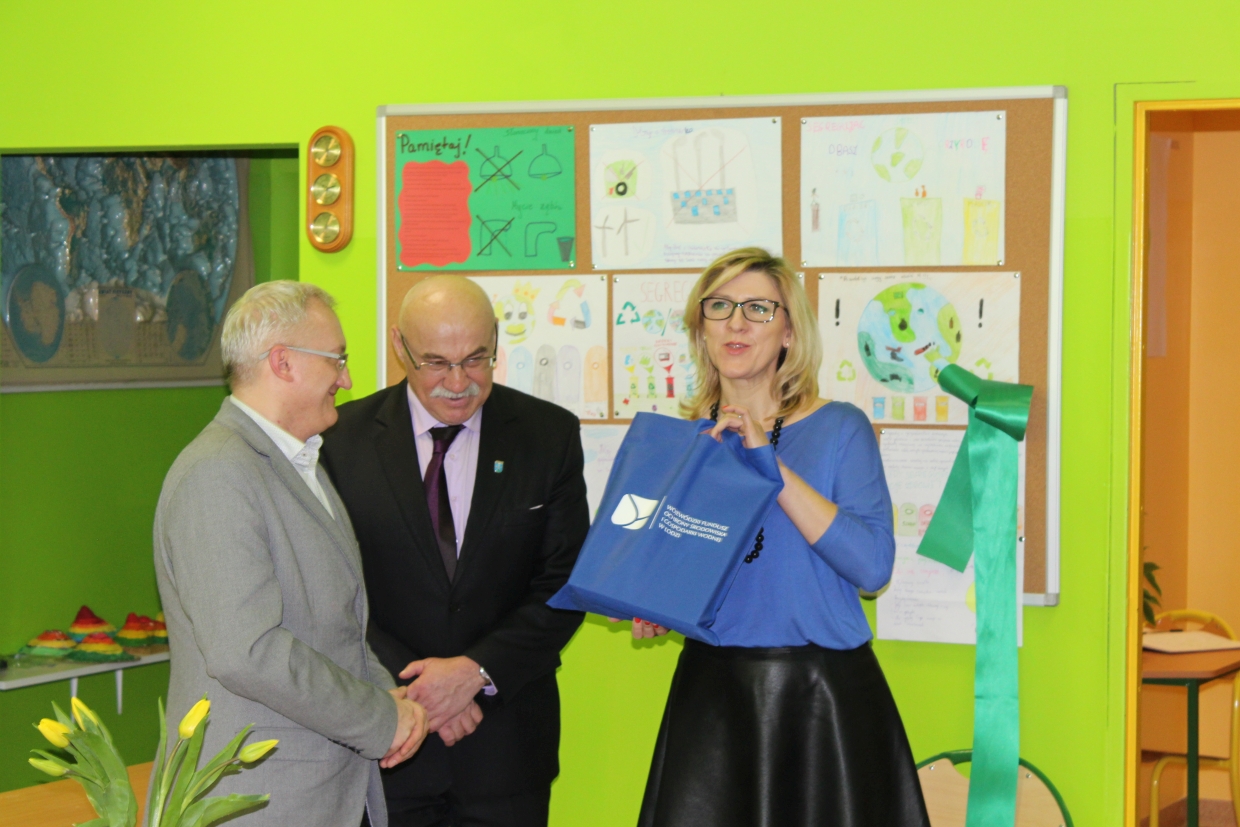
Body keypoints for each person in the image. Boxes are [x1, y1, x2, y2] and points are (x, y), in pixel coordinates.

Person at [631, 249, 931, 827]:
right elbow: (684, 567)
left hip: (823, 700)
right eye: (720, 307)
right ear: (701, 330)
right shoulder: (686, 443)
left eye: (758, 309)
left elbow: (873, 570)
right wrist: (657, 604)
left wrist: (767, 461)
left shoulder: (840, 428)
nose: (736, 323)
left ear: (789, 332)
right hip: (713, 698)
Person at [153, 281, 428, 827]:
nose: (346, 380)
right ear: (282, 362)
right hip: (257, 802)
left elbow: (334, 627)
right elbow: (246, 650)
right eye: (337, 360)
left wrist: (390, 700)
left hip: (318, 794)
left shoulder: (297, 462)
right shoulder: (218, 472)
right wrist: (378, 718)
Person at [320, 275, 588, 827]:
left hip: (507, 751)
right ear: (400, 347)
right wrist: (425, 692)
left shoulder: (548, 435)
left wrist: (475, 672)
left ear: (496, 342)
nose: (459, 382)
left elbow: (564, 583)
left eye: (476, 359)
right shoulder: (340, 442)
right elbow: (331, 590)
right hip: (389, 742)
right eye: (436, 363)